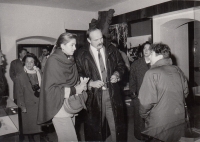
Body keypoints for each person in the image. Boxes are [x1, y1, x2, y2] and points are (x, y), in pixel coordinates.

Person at [75, 28, 126, 141]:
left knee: (116, 128)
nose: (100, 41)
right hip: (93, 97)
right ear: (89, 40)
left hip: (112, 93)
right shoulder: (81, 54)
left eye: (101, 38)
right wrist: (90, 83)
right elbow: (77, 74)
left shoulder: (111, 49)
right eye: (96, 39)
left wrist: (117, 74)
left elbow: (121, 65)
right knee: (94, 129)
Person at [37, 33, 89, 142]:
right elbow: (50, 89)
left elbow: (72, 80)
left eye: (75, 45)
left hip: (69, 104)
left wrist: (81, 83)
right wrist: (75, 89)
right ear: (62, 46)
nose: (75, 48)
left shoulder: (70, 59)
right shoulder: (53, 61)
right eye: (72, 45)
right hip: (58, 107)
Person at [138, 43, 188, 136]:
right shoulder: (178, 70)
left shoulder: (151, 73)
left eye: (151, 54)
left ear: (159, 56)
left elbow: (145, 103)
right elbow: (185, 93)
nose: (149, 56)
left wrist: (146, 116)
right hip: (179, 119)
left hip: (159, 124)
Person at [15, 53, 42, 141]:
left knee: (40, 126)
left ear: (35, 63)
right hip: (28, 104)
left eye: (31, 62)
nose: (29, 64)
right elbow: (19, 93)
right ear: (24, 63)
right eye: (27, 62)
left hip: (39, 103)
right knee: (30, 128)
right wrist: (22, 106)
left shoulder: (39, 72)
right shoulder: (20, 76)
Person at [129, 41, 151, 140]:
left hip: (153, 96)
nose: (146, 51)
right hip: (139, 96)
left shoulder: (156, 64)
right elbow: (132, 81)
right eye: (144, 48)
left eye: (149, 49)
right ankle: (140, 136)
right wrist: (133, 95)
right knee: (139, 120)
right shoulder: (136, 64)